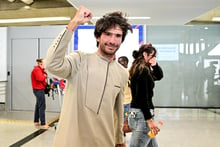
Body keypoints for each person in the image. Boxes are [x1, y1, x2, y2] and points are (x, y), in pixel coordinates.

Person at [44, 6, 132, 147]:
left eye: (118, 36)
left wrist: (119, 139)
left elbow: (118, 111)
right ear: (98, 36)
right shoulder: (79, 60)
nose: (112, 40)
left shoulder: (122, 73)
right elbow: (52, 64)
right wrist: (74, 23)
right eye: (107, 34)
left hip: (104, 142)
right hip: (71, 142)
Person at [128, 43, 163, 147]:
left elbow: (159, 76)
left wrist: (155, 65)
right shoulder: (143, 71)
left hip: (136, 113)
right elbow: (142, 98)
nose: (154, 59)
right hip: (142, 116)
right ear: (145, 54)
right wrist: (149, 120)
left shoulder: (137, 68)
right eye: (153, 56)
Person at [31, 58, 50, 129]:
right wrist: (44, 76)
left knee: (38, 105)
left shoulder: (40, 70)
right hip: (38, 90)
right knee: (42, 106)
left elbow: (43, 79)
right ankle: (43, 124)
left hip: (39, 89)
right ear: (40, 63)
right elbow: (40, 78)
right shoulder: (37, 70)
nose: (46, 64)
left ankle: (36, 121)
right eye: (45, 62)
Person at [118, 56, 132, 147]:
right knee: (124, 120)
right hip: (127, 101)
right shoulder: (129, 73)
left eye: (122, 62)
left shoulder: (122, 74)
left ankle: (121, 138)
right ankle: (121, 135)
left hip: (124, 102)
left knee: (121, 121)